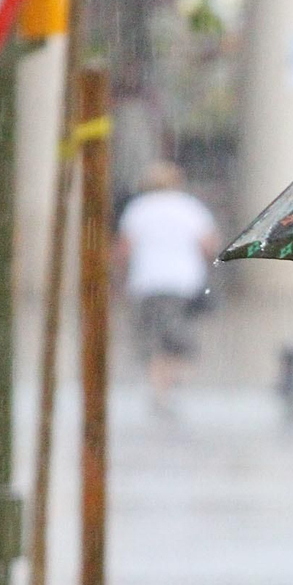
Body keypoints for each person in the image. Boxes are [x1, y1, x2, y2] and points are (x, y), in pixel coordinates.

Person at [115, 161, 219, 414]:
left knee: (152, 336)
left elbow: (124, 249)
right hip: (183, 281)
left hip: (147, 281)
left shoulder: (138, 209)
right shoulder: (190, 208)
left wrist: (119, 279)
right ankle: (170, 379)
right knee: (176, 335)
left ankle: (159, 385)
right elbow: (209, 245)